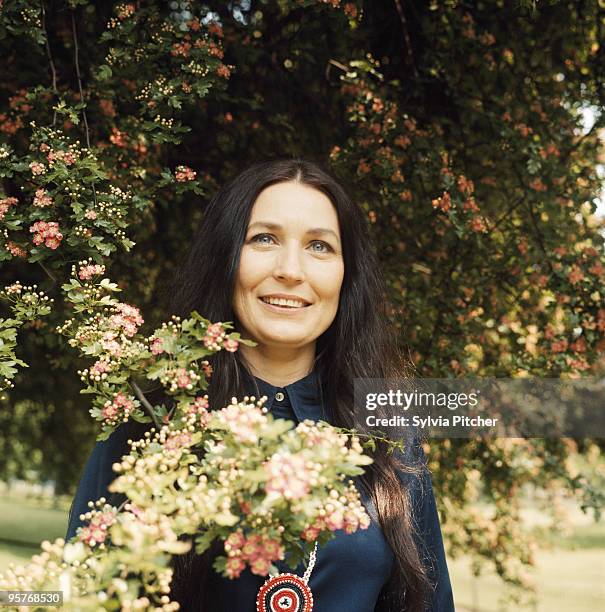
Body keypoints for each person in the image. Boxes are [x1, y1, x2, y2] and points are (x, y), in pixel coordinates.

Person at [66, 158, 455, 611]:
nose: (291, 269)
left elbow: (429, 603)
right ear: (227, 258)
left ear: (346, 274)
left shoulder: (389, 428)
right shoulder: (153, 417)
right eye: (264, 239)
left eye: (319, 246)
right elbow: (78, 591)